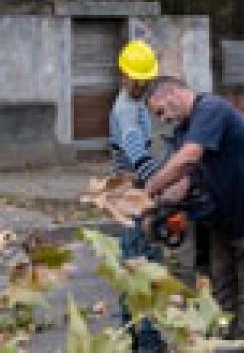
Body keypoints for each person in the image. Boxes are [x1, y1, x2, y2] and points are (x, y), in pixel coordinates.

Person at [143, 77, 244, 343]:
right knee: (222, 298)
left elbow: (189, 157)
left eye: (161, 112)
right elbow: (187, 178)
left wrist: (151, 188)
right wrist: (158, 204)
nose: (163, 119)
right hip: (220, 225)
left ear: (173, 94)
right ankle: (226, 345)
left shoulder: (211, 109)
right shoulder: (183, 129)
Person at [109, 40, 165, 352]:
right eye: (137, 78)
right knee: (141, 267)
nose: (142, 84)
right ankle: (146, 341)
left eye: (145, 79)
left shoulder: (137, 104)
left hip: (135, 193)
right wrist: (159, 185)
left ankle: (138, 337)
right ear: (125, 75)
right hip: (132, 197)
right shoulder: (125, 110)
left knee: (138, 266)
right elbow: (135, 149)